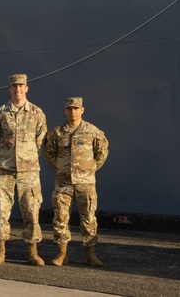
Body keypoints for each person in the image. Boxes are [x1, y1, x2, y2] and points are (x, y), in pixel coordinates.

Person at [0, 73, 48, 266]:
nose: (18, 89)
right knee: (1, 211)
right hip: (4, 170)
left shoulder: (37, 113)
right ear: (9, 89)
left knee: (31, 210)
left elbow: (40, 140)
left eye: (21, 86)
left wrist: (27, 156)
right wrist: (6, 155)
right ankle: (0, 251)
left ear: (26, 88)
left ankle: (32, 252)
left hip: (29, 171)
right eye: (14, 86)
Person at [44, 96, 109, 267]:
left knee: (88, 218)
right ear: (65, 111)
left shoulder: (93, 131)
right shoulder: (57, 132)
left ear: (82, 110)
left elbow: (102, 152)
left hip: (85, 184)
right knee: (60, 218)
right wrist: (61, 167)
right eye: (70, 109)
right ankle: (62, 254)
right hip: (63, 183)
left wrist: (90, 168)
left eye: (76, 108)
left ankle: (90, 254)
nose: (73, 112)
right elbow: (49, 154)